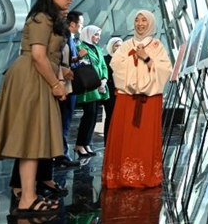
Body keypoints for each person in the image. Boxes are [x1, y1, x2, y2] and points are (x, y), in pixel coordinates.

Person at [0, 0, 70, 215]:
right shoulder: (42, 18)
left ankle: (29, 195)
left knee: (33, 138)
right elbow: (38, 55)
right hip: (33, 77)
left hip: (38, 76)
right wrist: (55, 84)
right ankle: (27, 197)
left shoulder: (50, 18)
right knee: (31, 137)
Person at [102, 10, 172, 188]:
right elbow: (116, 66)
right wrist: (133, 58)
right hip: (127, 98)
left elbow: (164, 71)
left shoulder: (157, 46)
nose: (140, 24)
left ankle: (144, 174)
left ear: (150, 23)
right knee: (125, 135)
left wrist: (146, 58)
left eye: (144, 20)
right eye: (137, 20)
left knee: (144, 138)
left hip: (149, 99)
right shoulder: (126, 45)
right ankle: (122, 175)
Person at [56, 10, 86, 168]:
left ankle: (61, 153)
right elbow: (57, 59)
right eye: (81, 23)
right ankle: (61, 154)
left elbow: (68, 59)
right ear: (72, 24)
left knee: (65, 120)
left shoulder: (70, 39)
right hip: (64, 83)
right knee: (63, 120)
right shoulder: (63, 37)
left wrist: (78, 58)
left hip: (68, 83)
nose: (82, 26)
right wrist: (64, 69)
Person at [73, 25, 108, 157]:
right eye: (95, 35)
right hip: (88, 86)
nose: (98, 37)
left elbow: (103, 66)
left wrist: (103, 80)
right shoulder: (81, 47)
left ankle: (86, 143)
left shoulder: (98, 48)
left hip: (99, 86)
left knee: (93, 116)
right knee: (89, 115)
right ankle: (80, 144)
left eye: (98, 35)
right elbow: (82, 66)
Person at [102, 37, 123, 142]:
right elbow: (106, 75)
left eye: (120, 45)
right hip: (110, 92)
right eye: (116, 45)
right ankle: (108, 141)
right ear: (111, 46)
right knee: (110, 116)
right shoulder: (106, 59)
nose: (118, 48)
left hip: (122, 92)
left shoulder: (124, 59)